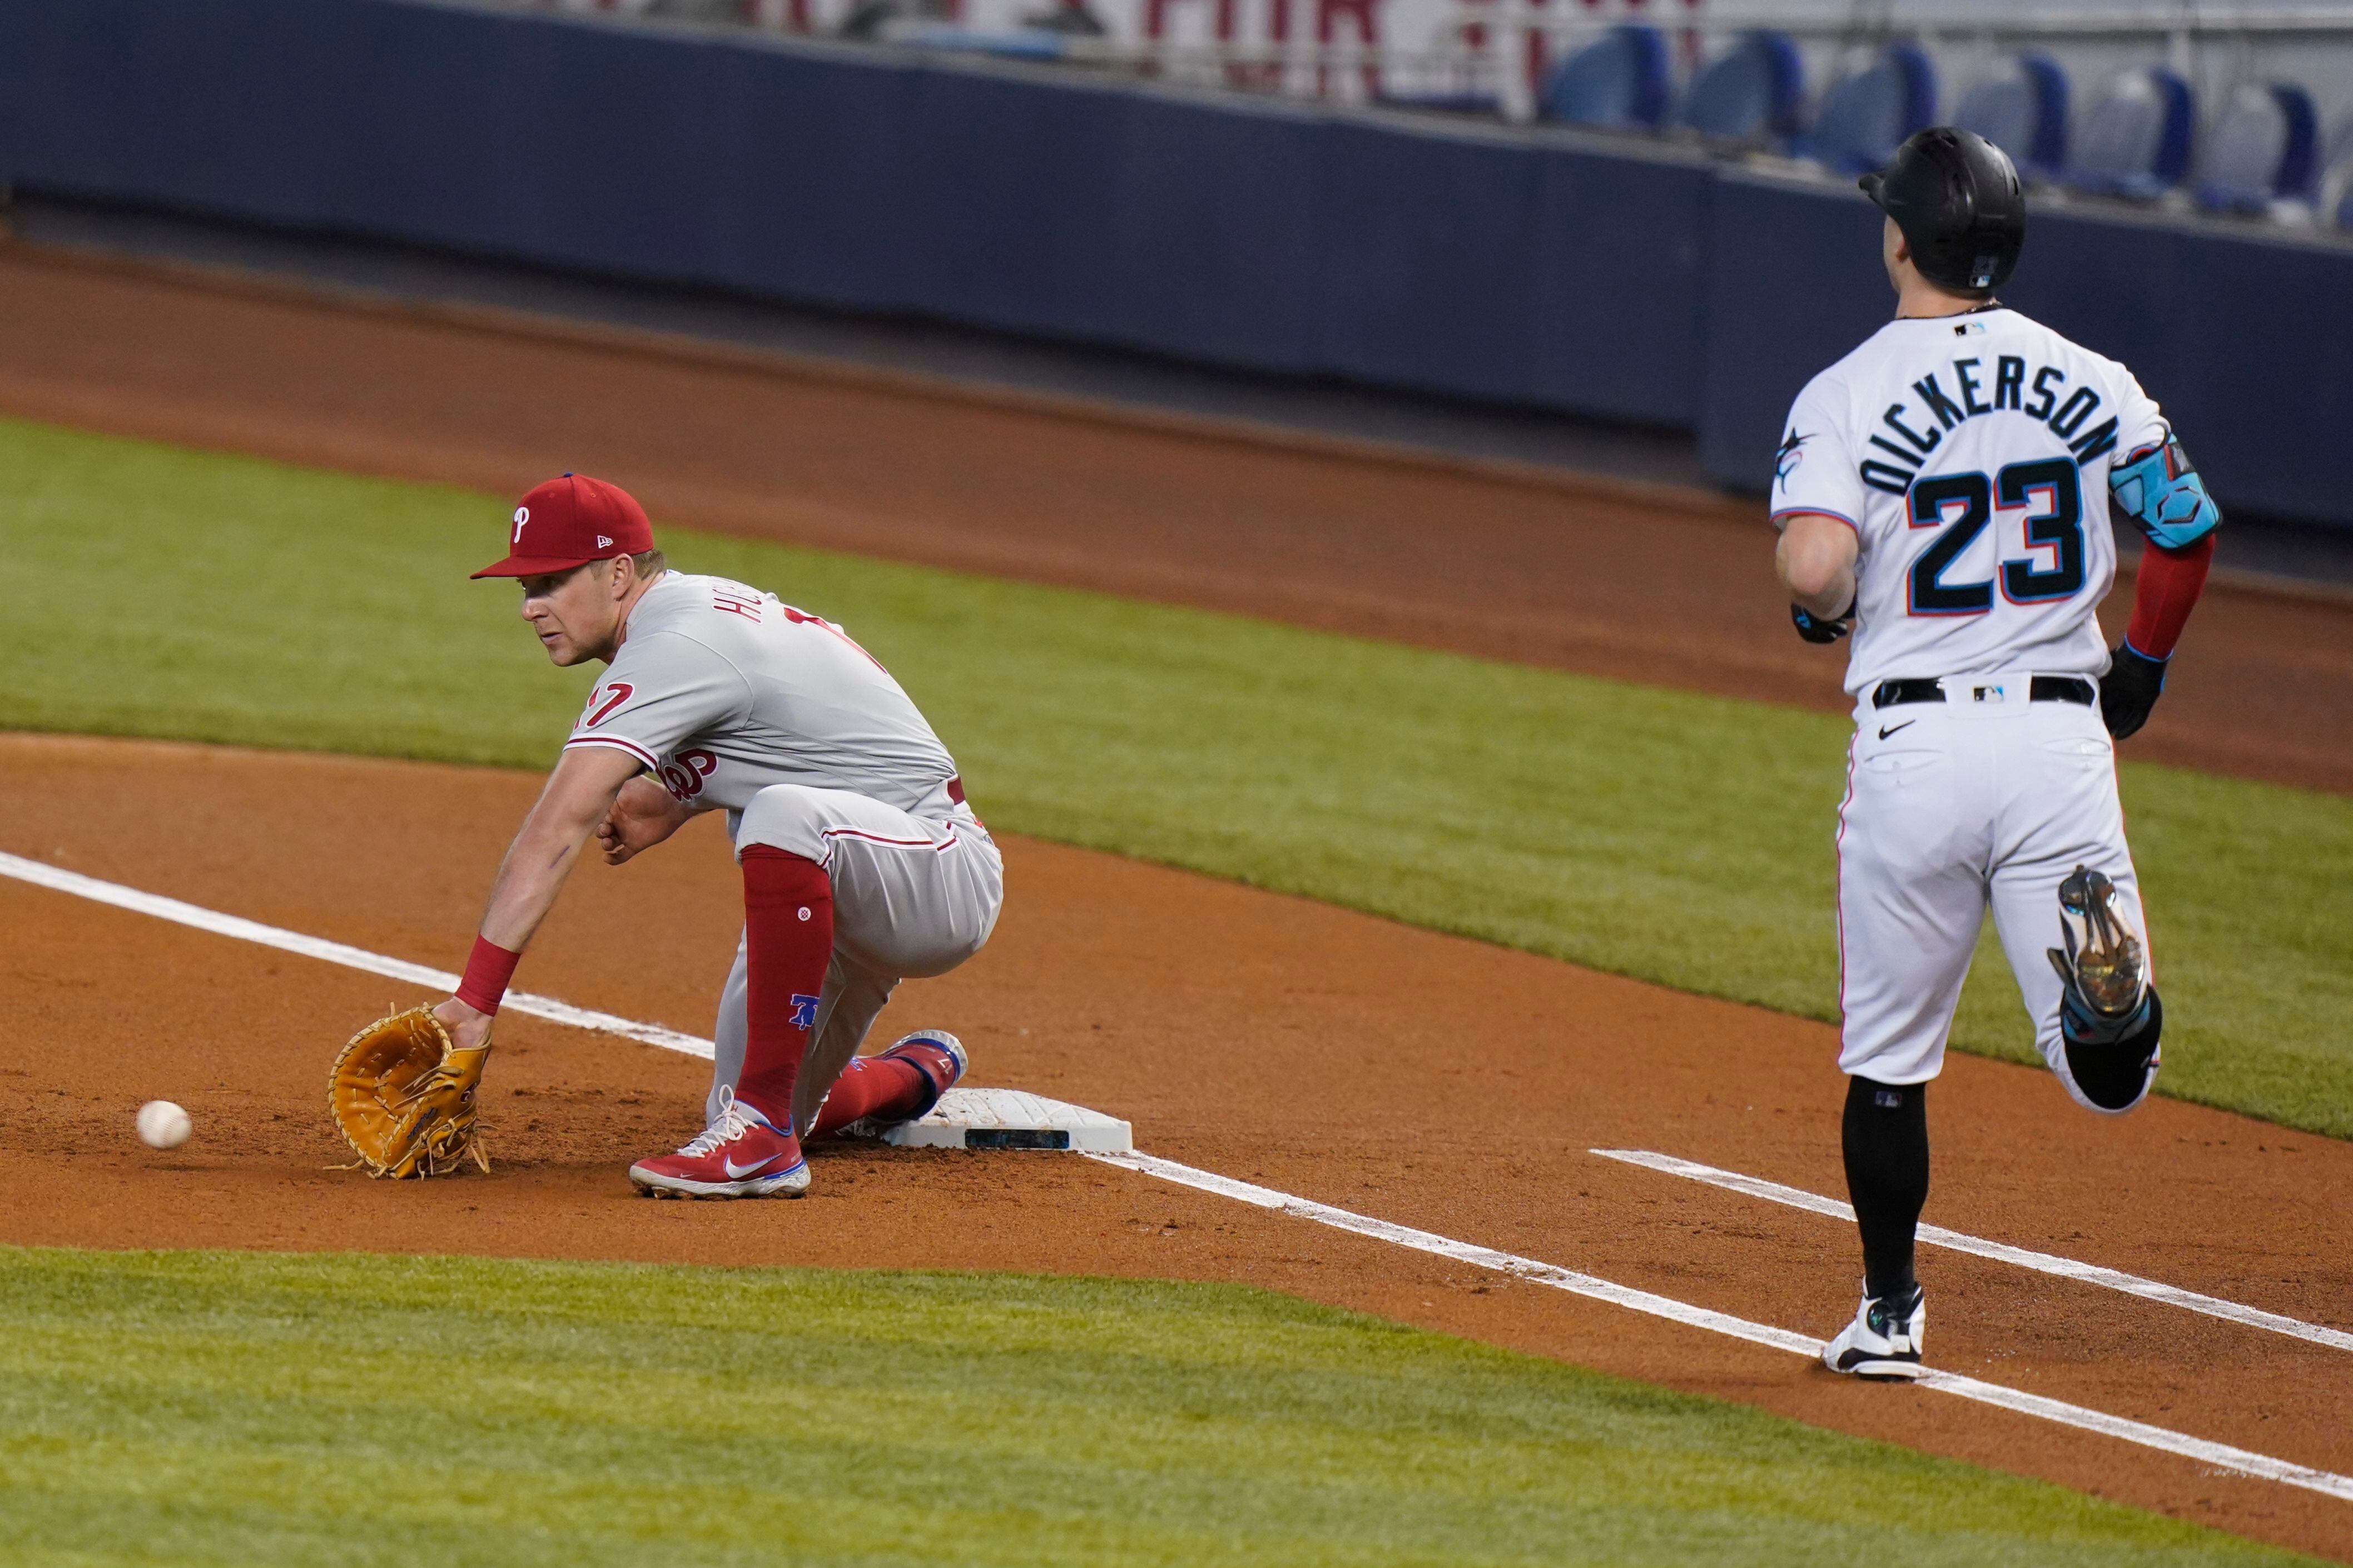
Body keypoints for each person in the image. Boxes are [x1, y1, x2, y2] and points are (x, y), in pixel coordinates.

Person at [1769, 128, 2220, 1377]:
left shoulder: (1846, 389)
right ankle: (2109, 1024)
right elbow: (2184, 529)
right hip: (2057, 736)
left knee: (1889, 1059)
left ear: (1899, 238)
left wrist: (1823, 604)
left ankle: (1891, 1313)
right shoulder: (2094, 378)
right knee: (2109, 1087)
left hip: (1913, 739)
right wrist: (2143, 663)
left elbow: (1814, 570)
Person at [435, 472, 1003, 1197]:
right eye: (523, 588)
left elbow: (559, 822)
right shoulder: (686, 619)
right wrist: (670, 797)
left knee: (778, 814)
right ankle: (906, 1079)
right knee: (741, 1101)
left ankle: (764, 1144)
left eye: (549, 582)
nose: (530, 607)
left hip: (936, 871)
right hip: (851, 876)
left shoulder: (677, 638)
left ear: (616, 574)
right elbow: (786, 731)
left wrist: (476, 1001)